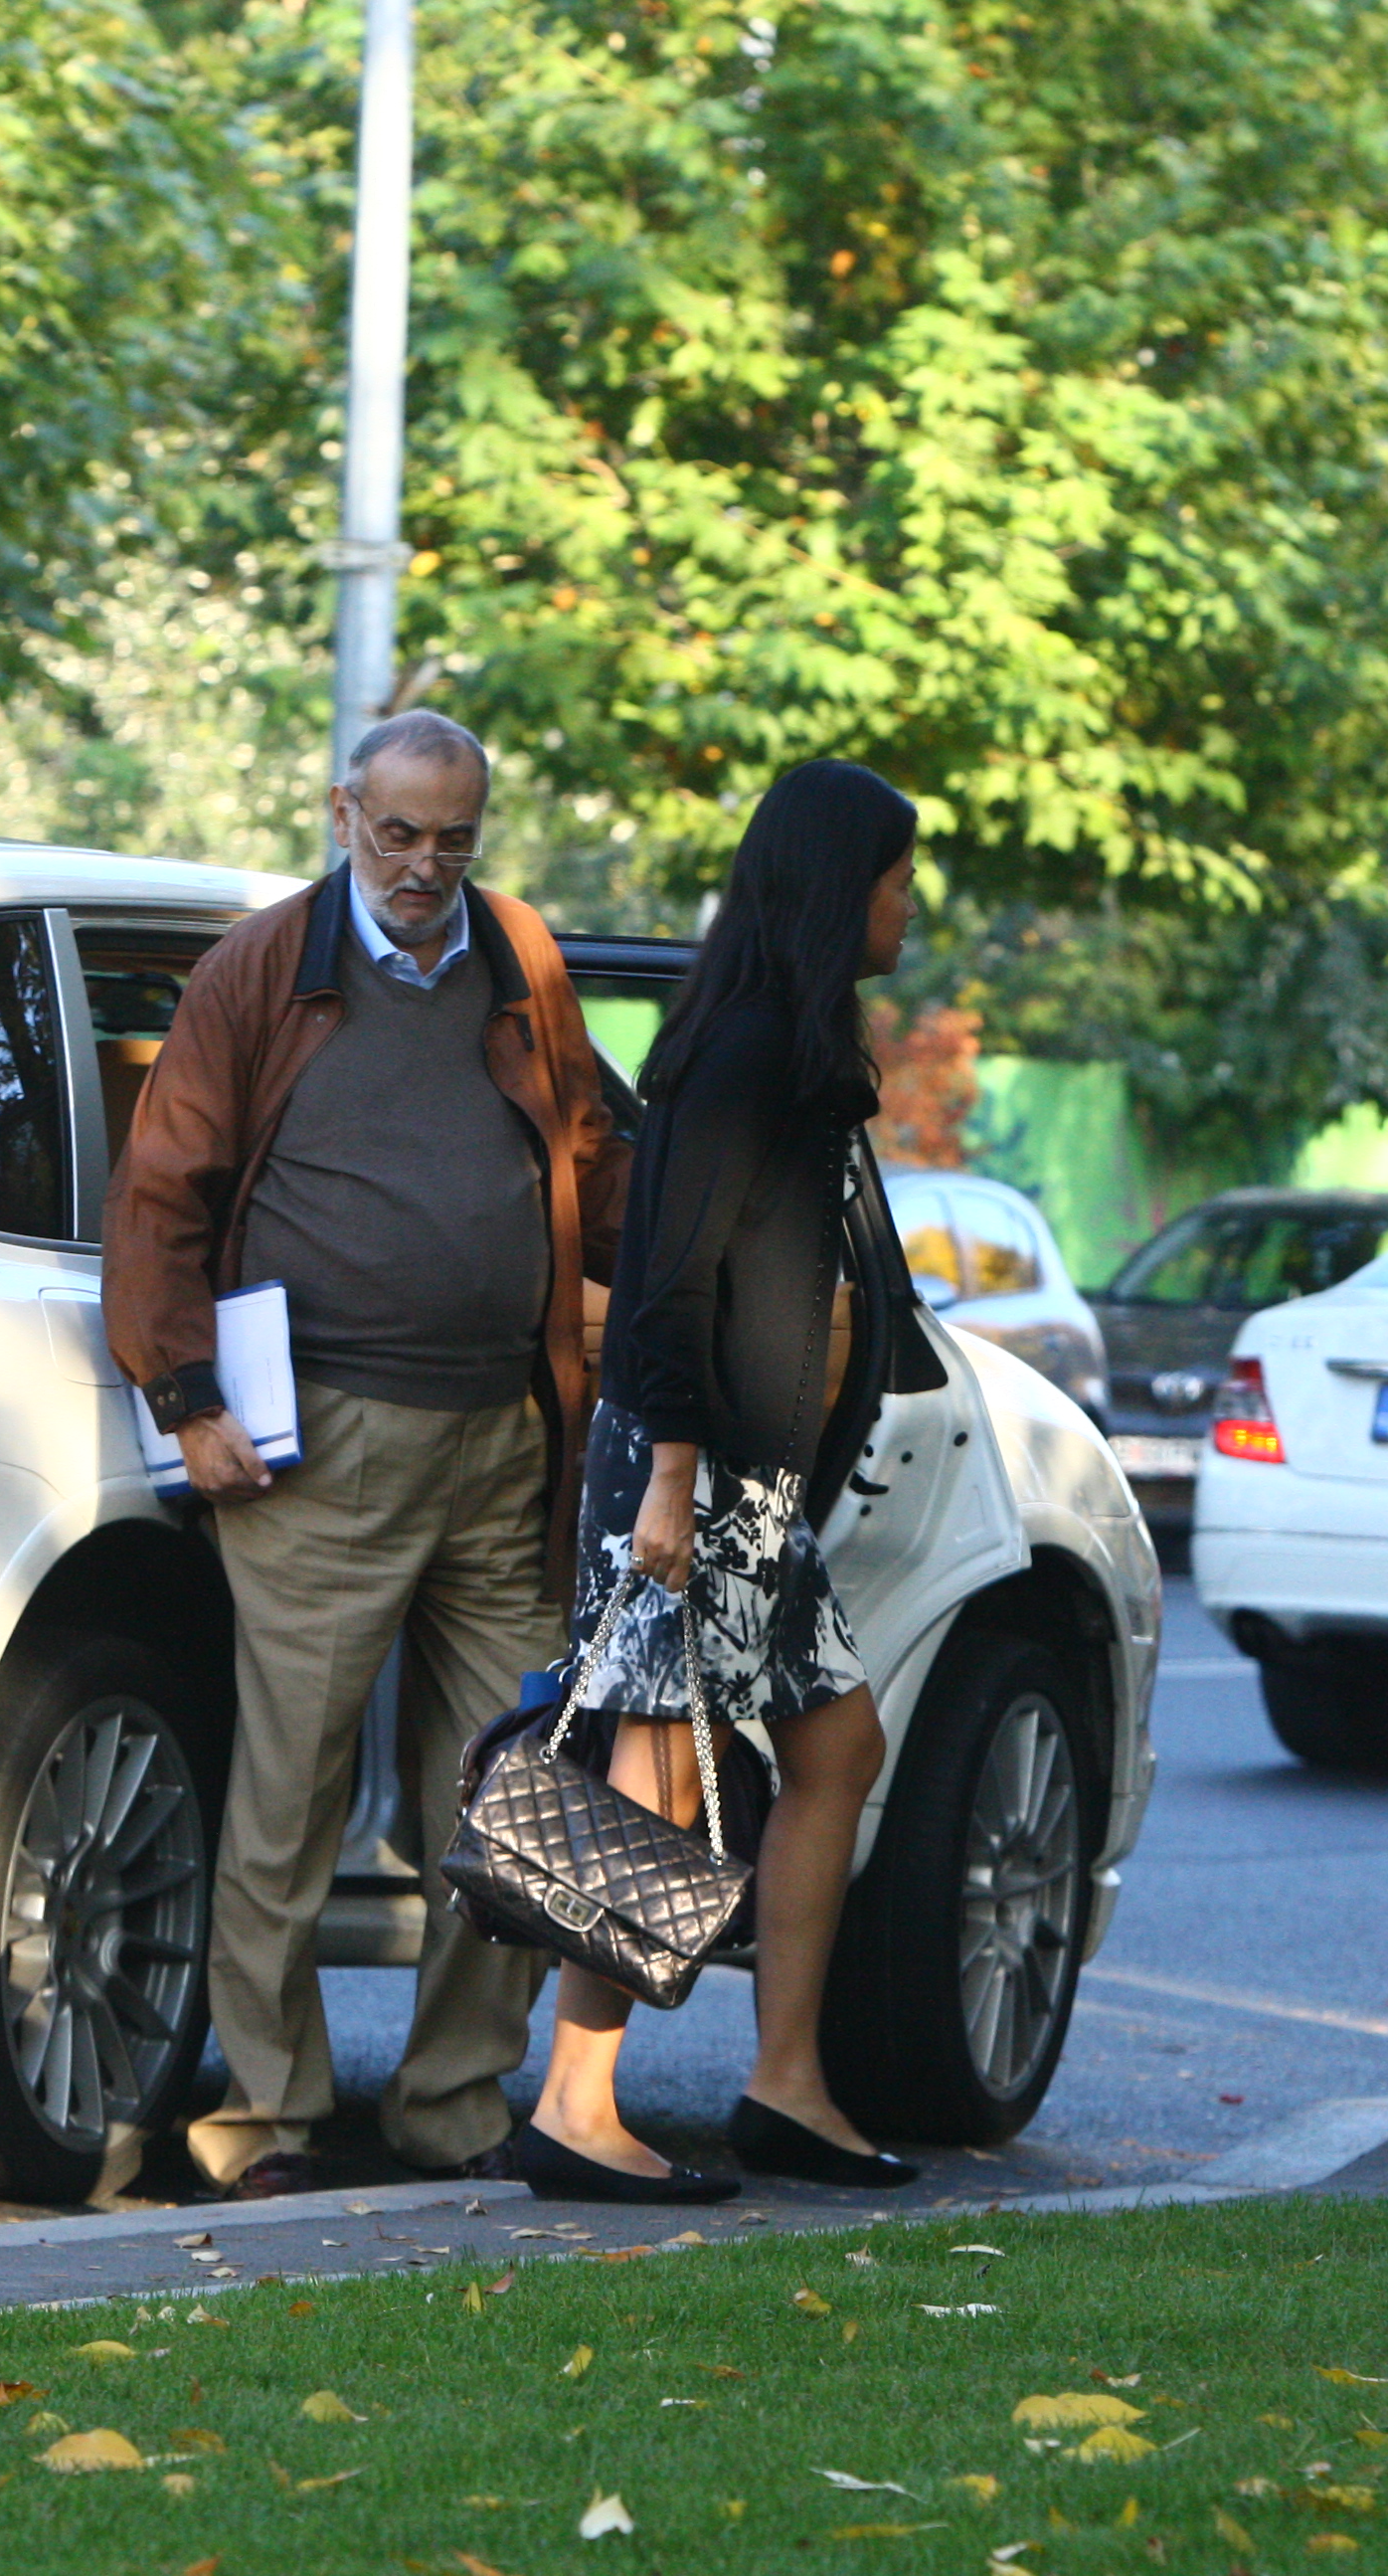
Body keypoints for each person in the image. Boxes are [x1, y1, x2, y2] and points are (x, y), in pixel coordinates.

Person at [105, 708, 627, 2201]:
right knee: (292, 1796)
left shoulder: (517, 953)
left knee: (507, 1794)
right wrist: (187, 1394)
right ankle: (266, 2118)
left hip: (506, 1443)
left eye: (452, 839)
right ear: (345, 814)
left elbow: (590, 1146)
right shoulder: (264, 967)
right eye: (396, 834)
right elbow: (164, 1191)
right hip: (321, 1443)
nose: (422, 865)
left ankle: (457, 2103)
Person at [506, 758, 925, 2206]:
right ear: (836, 889)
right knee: (655, 1773)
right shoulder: (742, 1049)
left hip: (747, 1480)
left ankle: (786, 2083)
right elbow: (670, 1286)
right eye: (895, 878)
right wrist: (672, 1483)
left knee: (835, 1748)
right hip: (687, 1468)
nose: (911, 906)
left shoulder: (790, 1044)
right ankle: (575, 2101)